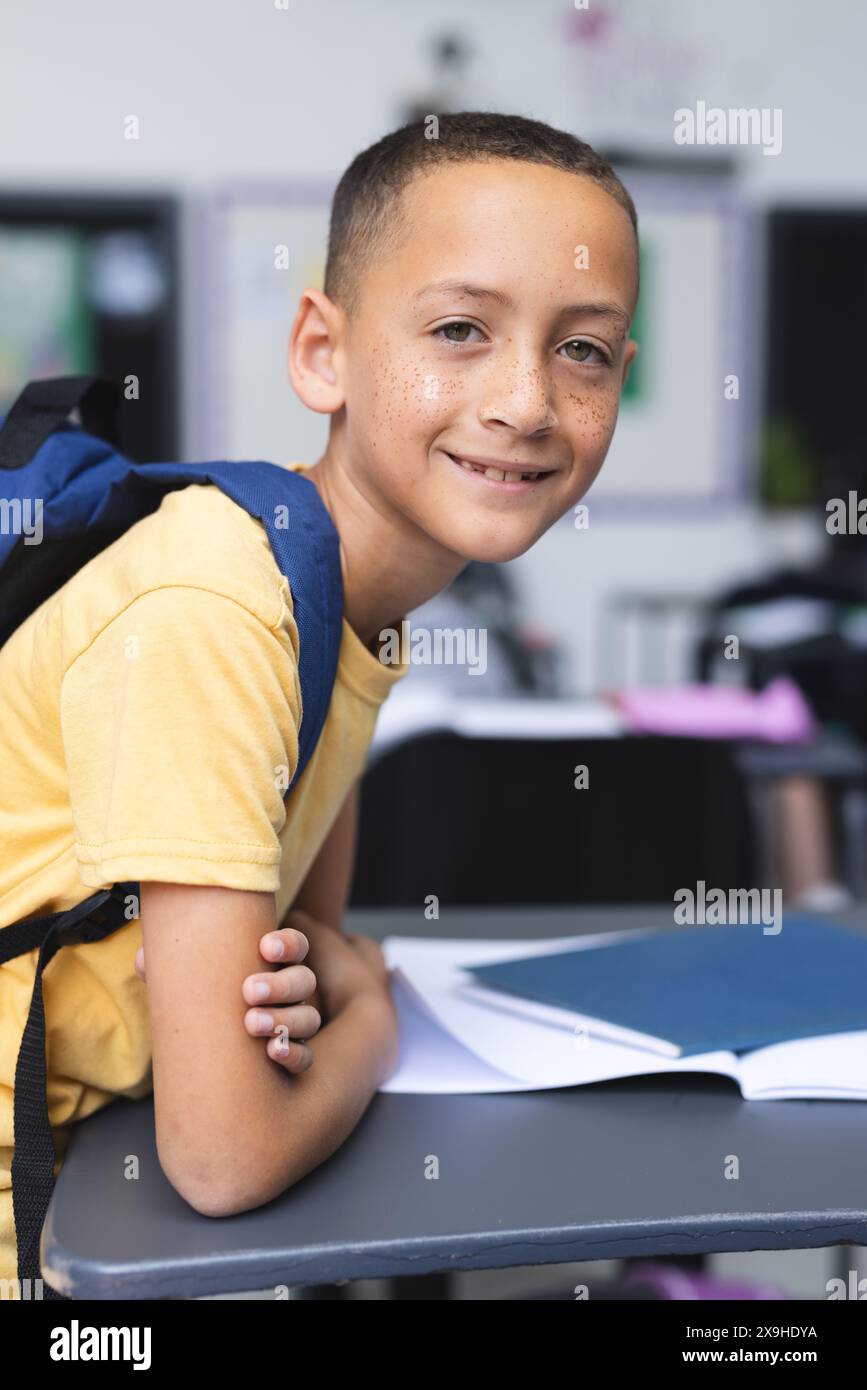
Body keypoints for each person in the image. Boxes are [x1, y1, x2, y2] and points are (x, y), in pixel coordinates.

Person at [0, 111, 639, 1294]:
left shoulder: (341, 597)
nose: (526, 402)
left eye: (584, 350)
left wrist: (332, 1001)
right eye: (459, 329)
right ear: (322, 354)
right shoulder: (220, 608)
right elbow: (227, 1152)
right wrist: (375, 1027)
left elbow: (315, 950)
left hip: (100, 1177)